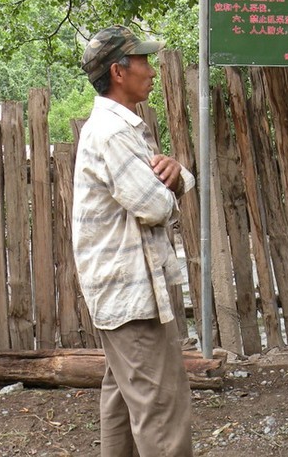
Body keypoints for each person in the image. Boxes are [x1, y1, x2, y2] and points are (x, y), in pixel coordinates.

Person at [72, 25, 194, 457]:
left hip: (119, 290)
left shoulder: (116, 126)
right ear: (118, 72)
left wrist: (176, 175)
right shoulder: (114, 133)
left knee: (123, 397)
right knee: (161, 410)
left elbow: (167, 181)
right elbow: (155, 205)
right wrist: (175, 184)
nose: (152, 70)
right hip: (132, 292)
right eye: (143, 61)